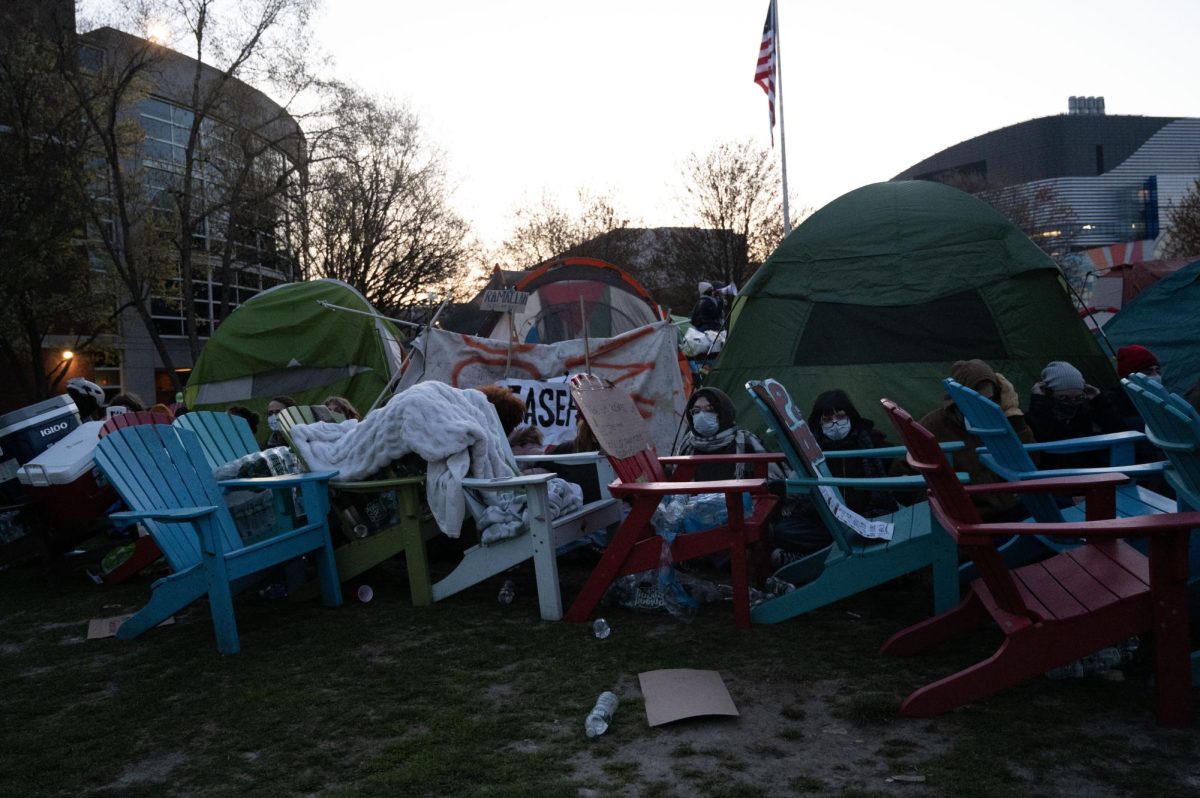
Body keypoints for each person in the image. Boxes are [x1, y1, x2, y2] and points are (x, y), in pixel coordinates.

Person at [916, 359, 1034, 522]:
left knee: (1064, 505)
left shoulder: (999, 421)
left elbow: (1030, 468)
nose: (982, 406)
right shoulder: (932, 427)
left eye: (989, 400)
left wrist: (1014, 418)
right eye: (975, 399)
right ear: (957, 399)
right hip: (973, 516)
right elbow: (906, 473)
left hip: (1010, 505)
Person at [807, 390, 897, 518]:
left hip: (868, 515)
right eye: (827, 420)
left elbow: (898, 465)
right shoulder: (812, 448)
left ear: (850, 416)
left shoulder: (872, 442)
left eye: (840, 417)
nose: (835, 424)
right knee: (786, 530)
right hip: (828, 518)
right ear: (819, 423)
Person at [676, 387, 784, 482]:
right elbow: (676, 480)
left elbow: (774, 480)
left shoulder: (747, 442)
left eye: (710, 409)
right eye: (696, 410)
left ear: (723, 412)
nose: (702, 415)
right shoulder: (688, 444)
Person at [1026, 361, 1108, 470]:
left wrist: (1098, 402)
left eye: (1078, 398)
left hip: (1089, 471)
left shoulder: (1083, 412)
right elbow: (1043, 434)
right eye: (1063, 398)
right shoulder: (1037, 414)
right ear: (1049, 393)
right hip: (1054, 473)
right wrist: (1039, 403)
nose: (1072, 403)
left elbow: (1118, 430)